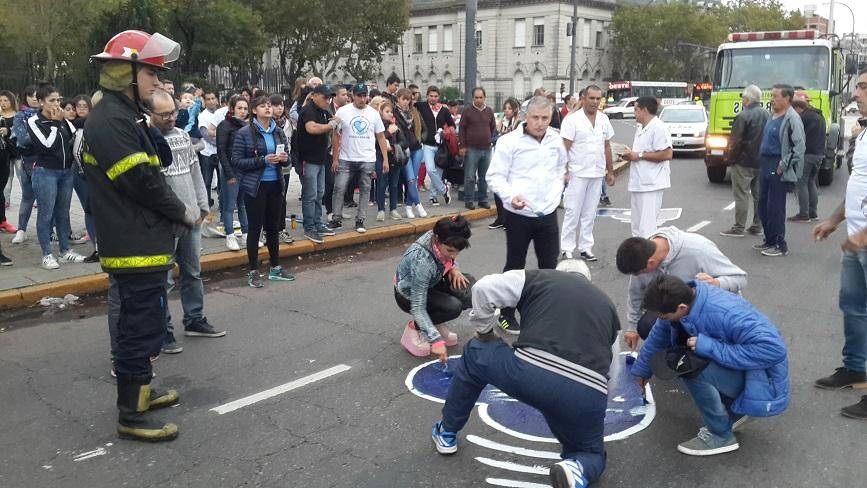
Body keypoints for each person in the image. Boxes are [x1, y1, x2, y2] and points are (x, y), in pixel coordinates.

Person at [84, 30, 191, 441]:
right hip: (133, 242)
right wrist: (181, 211)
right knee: (138, 326)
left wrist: (147, 120)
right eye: (150, 73)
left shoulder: (125, 114)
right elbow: (143, 181)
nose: (157, 82)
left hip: (142, 238)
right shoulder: (110, 120)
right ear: (124, 72)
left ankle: (142, 392)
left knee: (146, 322)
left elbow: (158, 157)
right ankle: (131, 414)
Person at [431, 260, 618, 488]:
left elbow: (482, 288)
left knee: (475, 352)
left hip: (531, 373)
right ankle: (576, 468)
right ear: (588, 282)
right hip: (589, 391)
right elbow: (613, 370)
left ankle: (447, 431)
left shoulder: (540, 278)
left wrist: (485, 331)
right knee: (591, 453)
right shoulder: (607, 306)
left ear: (556, 272)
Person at [632, 275, 789, 455]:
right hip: (747, 372)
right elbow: (658, 337)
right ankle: (736, 410)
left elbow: (774, 350)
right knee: (690, 355)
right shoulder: (685, 298)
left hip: (763, 381)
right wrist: (641, 372)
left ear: (681, 308)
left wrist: (709, 347)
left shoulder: (726, 312)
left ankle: (720, 436)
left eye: (665, 316)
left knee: (689, 366)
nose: (662, 319)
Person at [487, 95, 568, 335]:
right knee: (515, 264)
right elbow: (495, 177)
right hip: (518, 214)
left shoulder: (556, 140)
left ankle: (545, 312)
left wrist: (557, 193)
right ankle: (506, 313)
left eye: (545, 118)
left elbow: (560, 169)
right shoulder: (509, 142)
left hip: (548, 213)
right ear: (525, 116)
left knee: (549, 265)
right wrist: (511, 196)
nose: (541, 123)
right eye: (535, 118)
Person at [812, 69, 867, 419]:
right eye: (858, 85)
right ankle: (856, 368)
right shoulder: (863, 134)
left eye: (863, 86)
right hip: (856, 239)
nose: (857, 91)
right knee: (853, 307)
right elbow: (858, 187)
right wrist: (835, 221)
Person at [616, 226, 747, 350]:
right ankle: (677, 353)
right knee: (646, 325)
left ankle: (703, 353)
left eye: (639, 273)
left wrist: (716, 283)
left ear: (651, 262)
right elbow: (636, 294)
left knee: (699, 347)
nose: (638, 277)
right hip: (677, 310)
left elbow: (740, 278)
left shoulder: (699, 250)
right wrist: (632, 327)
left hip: (710, 311)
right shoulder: (641, 258)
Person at [231, 94, 295, 288]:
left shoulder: (278, 132)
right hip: (256, 187)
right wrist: (263, 160)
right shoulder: (244, 133)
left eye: (269, 105)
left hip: (275, 184)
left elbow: (288, 159)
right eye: (263, 106)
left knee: (273, 228)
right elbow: (237, 161)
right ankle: (253, 271)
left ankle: (275, 268)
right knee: (255, 229)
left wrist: (284, 159)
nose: (268, 108)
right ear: (254, 111)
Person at [395, 215, 474, 359]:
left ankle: (435, 323)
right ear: (437, 239)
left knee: (469, 289)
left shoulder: (445, 235)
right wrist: (436, 341)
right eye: (450, 251)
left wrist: (454, 269)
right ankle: (413, 328)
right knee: (453, 307)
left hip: (434, 281)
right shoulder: (423, 261)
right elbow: (417, 306)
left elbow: (449, 258)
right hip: (408, 294)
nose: (454, 255)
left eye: (458, 251)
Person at [26, 83, 87, 269]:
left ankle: (65, 250)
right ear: (41, 102)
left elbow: (76, 137)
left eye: (58, 99)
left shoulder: (63, 120)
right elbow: (46, 145)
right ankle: (46, 254)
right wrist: (54, 124)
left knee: (63, 213)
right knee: (46, 214)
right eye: (52, 100)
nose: (56, 104)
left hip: (66, 172)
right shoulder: (34, 121)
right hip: (45, 173)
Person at [559, 84, 615, 262]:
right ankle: (567, 248)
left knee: (590, 213)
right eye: (592, 98)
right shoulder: (572, 120)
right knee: (572, 211)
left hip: (597, 173)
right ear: (583, 98)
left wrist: (610, 171)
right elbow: (564, 148)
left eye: (598, 98)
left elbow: (606, 146)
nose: (595, 102)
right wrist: (564, 171)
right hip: (577, 173)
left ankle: (586, 247)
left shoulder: (604, 119)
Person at [330, 83, 389, 233]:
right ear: (353, 96)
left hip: (367, 158)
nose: (362, 99)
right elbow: (336, 136)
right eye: (359, 96)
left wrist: (385, 159)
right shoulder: (343, 112)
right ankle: (336, 218)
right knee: (339, 187)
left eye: (364, 96)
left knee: (365, 189)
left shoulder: (373, 113)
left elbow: (381, 137)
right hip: (346, 157)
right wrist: (335, 158)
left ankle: (360, 219)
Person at [755, 84, 805, 257]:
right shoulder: (772, 115)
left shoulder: (792, 119)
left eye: (776, 96)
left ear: (787, 99)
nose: (772, 99)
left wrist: (782, 166)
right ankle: (769, 239)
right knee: (762, 204)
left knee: (775, 207)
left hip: (778, 166)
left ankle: (779, 244)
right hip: (765, 163)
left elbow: (799, 148)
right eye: (772, 95)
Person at [720, 85, 768, 238]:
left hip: (743, 160)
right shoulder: (767, 114)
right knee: (759, 195)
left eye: (743, 98)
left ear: (747, 99)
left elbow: (735, 141)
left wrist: (730, 159)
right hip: (761, 160)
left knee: (741, 195)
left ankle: (738, 227)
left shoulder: (743, 116)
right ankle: (757, 226)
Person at [622, 96, 673, 238]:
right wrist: (630, 154)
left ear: (644, 110)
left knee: (647, 227)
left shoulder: (658, 128)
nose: (634, 113)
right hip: (639, 182)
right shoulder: (640, 127)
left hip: (652, 184)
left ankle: (648, 257)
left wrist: (638, 155)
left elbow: (667, 153)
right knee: (637, 226)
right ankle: (637, 256)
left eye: (636, 110)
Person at [297, 84, 340, 243]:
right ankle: (309, 227)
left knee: (319, 193)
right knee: (310, 194)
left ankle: (317, 222)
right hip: (309, 159)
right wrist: (330, 125)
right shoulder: (308, 110)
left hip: (321, 159)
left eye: (329, 98)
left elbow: (332, 122)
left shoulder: (323, 111)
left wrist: (334, 121)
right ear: (314, 95)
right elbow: (312, 128)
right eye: (324, 97)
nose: (327, 100)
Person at [216, 95, 253, 251]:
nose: (243, 111)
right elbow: (221, 151)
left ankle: (246, 235)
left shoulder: (248, 126)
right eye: (239, 108)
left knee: (243, 204)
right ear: (232, 109)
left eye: (245, 108)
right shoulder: (225, 126)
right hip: (231, 171)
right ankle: (230, 236)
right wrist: (229, 174)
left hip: (245, 171)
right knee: (229, 205)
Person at [10, 85, 40, 245]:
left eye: (37, 95)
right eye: (31, 95)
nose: (34, 98)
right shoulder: (20, 116)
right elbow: (22, 139)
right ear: (25, 97)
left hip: (44, 162)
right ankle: (21, 230)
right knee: (27, 197)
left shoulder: (46, 113)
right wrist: (41, 134)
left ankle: (49, 230)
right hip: (26, 161)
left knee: (46, 200)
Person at [789, 91, 825, 223]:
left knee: (801, 183)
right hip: (818, 155)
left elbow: (793, 134)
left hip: (807, 154)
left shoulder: (803, 117)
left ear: (799, 108)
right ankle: (813, 212)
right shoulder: (819, 116)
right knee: (811, 182)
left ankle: (803, 214)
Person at [415, 85, 454, 207]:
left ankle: (433, 197)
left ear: (439, 97)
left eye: (436, 96)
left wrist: (446, 132)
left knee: (438, 172)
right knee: (431, 170)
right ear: (427, 96)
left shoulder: (444, 110)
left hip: (442, 147)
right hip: (427, 145)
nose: (433, 98)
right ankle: (444, 190)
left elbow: (452, 125)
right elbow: (410, 105)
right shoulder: (421, 106)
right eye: (431, 96)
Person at [458, 87, 496, 211]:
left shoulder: (489, 111)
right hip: (472, 149)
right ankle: (469, 200)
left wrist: (489, 139)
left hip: (486, 149)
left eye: (481, 97)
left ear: (484, 97)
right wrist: (462, 146)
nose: (479, 100)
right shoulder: (467, 111)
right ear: (473, 98)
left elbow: (493, 128)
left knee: (484, 176)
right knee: (470, 176)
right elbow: (462, 129)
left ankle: (483, 200)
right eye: (476, 97)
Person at [488, 97, 521, 230]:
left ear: (515, 110)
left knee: (511, 190)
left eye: (509, 108)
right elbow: (495, 137)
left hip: (513, 160)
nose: (507, 111)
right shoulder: (502, 122)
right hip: (501, 157)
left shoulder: (518, 123)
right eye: (505, 108)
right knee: (498, 189)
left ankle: (509, 219)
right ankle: (501, 218)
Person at [394, 88, 426, 219]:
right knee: (411, 179)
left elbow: (425, 129)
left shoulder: (414, 112)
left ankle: (408, 207)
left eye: (408, 100)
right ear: (398, 99)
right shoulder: (394, 114)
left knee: (414, 178)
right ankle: (418, 205)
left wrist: (421, 139)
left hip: (417, 149)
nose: (406, 102)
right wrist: (404, 145)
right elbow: (398, 133)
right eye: (403, 99)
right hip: (405, 150)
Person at [270, 93, 296, 245]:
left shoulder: (288, 123)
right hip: (270, 164)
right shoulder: (266, 124)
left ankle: (281, 229)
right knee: (270, 199)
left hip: (285, 164)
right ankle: (268, 229)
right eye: (275, 105)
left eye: (281, 105)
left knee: (282, 197)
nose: (279, 108)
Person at [375, 101, 407, 222]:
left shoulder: (396, 125)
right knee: (382, 184)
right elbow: (376, 142)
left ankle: (393, 209)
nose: (389, 114)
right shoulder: (378, 125)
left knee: (394, 185)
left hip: (395, 158)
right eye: (386, 111)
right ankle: (381, 210)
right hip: (381, 158)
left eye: (391, 112)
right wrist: (388, 133)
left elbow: (404, 142)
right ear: (381, 112)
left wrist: (394, 147)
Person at [197, 89, 222, 215]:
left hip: (221, 152)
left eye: (213, 98)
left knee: (222, 180)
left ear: (217, 100)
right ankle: (206, 205)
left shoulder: (221, 113)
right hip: (207, 152)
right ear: (205, 101)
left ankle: (222, 203)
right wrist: (219, 142)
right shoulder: (202, 116)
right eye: (208, 99)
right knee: (207, 180)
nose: (211, 101)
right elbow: (205, 134)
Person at [0, 89, 18, 236]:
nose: (3, 103)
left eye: (5, 100)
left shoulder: (16, 116)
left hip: (11, 154)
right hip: (4, 155)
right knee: (5, 185)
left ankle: (3, 221)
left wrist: (8, 132)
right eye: (0, 101)